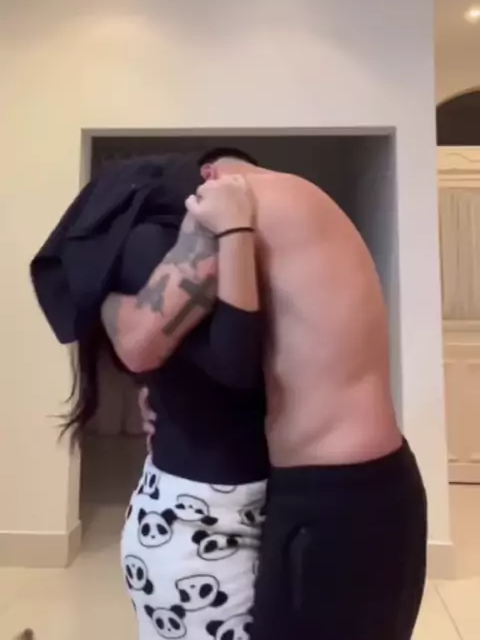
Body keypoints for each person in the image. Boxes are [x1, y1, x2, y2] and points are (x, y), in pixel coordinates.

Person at [118, 147, 427, 640]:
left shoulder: (231, 205)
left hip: (329, 504)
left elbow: (139, 341)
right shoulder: (312, 201)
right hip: (386, 488)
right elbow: (286, 355)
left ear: (210, 175)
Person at [100, 174, 269, 640]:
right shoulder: (151, 245)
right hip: (192, 521)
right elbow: (231, 364)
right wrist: (235, 232)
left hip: (200, 507)